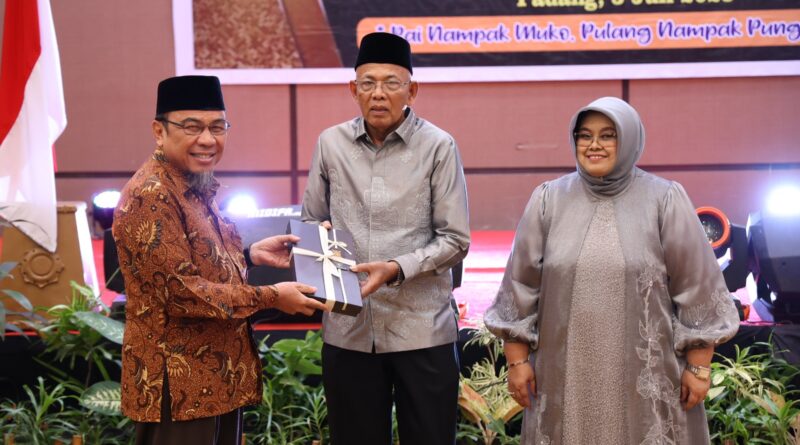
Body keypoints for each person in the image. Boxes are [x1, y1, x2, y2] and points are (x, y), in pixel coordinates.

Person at [484, 97, 740, 444]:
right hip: (564, 374)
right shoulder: (548, 200)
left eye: (608, 135)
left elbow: (697, 286)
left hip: (645, 376)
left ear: (630, 139)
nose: (594, 145)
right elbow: (520, 286)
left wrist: (698, 366)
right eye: (585, 135)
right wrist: (517, 363)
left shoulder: (664, 199)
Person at [112, 75, 329, 445]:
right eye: (192, 127)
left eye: (217, 127)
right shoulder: (153, 194)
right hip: (178, 386)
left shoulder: (191, 182)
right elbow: (182, 293)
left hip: (214, 379)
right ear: (159, 131)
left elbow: (186, 260)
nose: (207, 139)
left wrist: (249, 254)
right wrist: (272, 296)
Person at [301, 32, 470, 445]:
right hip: (349, 330)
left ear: (411, 90)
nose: (378, 94)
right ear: (353, 89)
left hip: (422, 330)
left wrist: (396, 269)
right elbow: (312, 220)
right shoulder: (330, 143)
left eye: (391, 83)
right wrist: (318, 243)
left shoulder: (438, 146)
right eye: (368, 83)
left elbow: (455, 239)